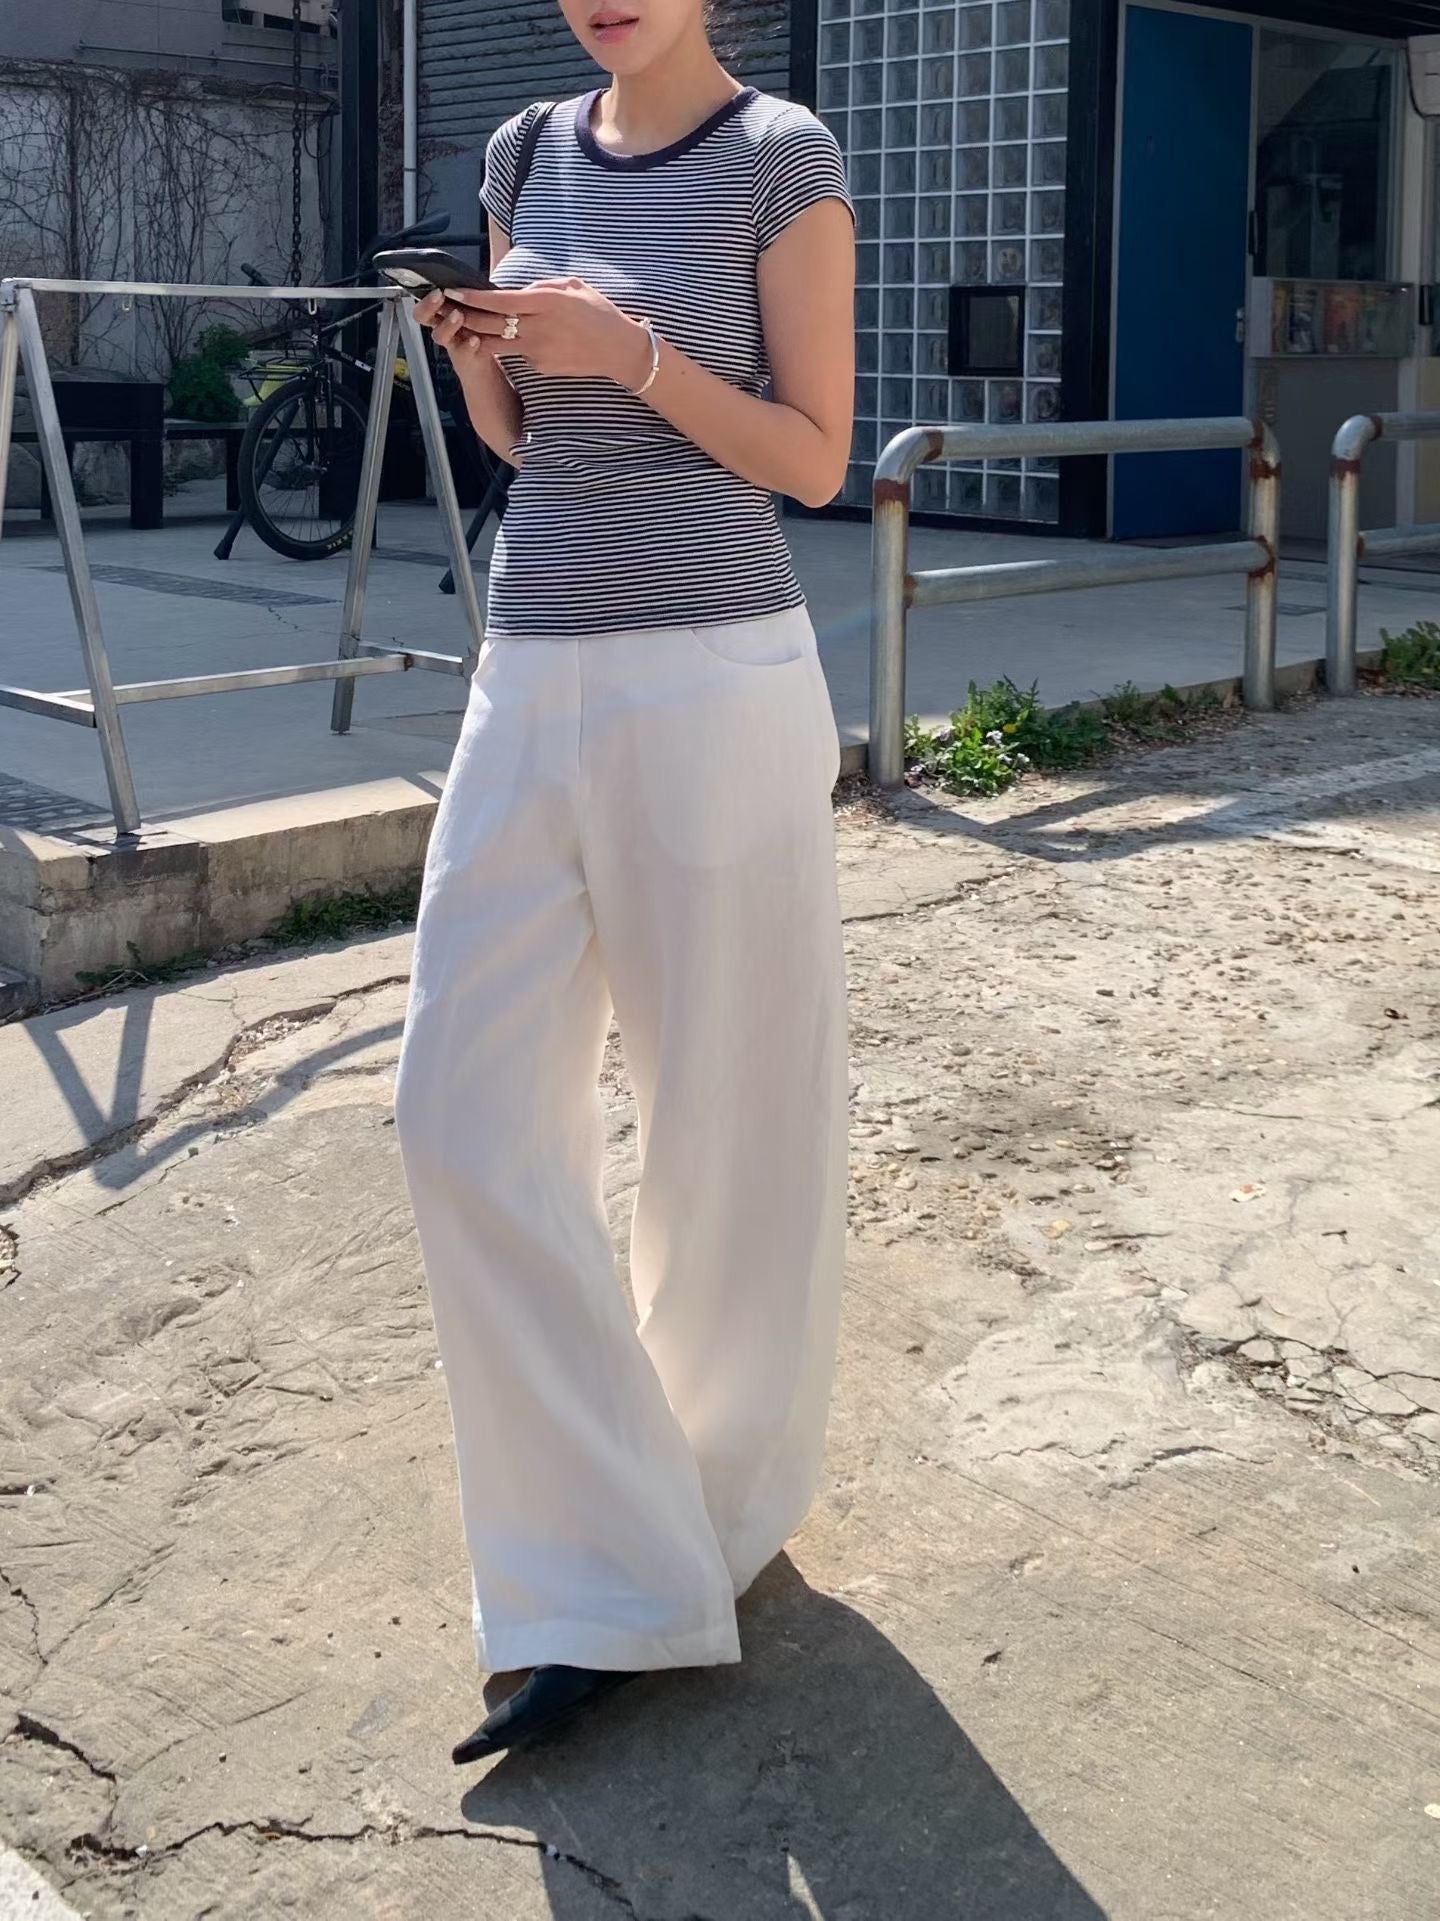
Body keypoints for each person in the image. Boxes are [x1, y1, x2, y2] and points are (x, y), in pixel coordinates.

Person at [393, 0, 855, 1761]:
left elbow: (815, 457)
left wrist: (632, 349)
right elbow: (533, 446)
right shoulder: (523, 153)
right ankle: (608, 1542)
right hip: (531, 670)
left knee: (727, 1134)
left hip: (714, 678)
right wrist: (478, 353)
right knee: (457, 1112)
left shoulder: (781, 160)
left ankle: (701, 1532)